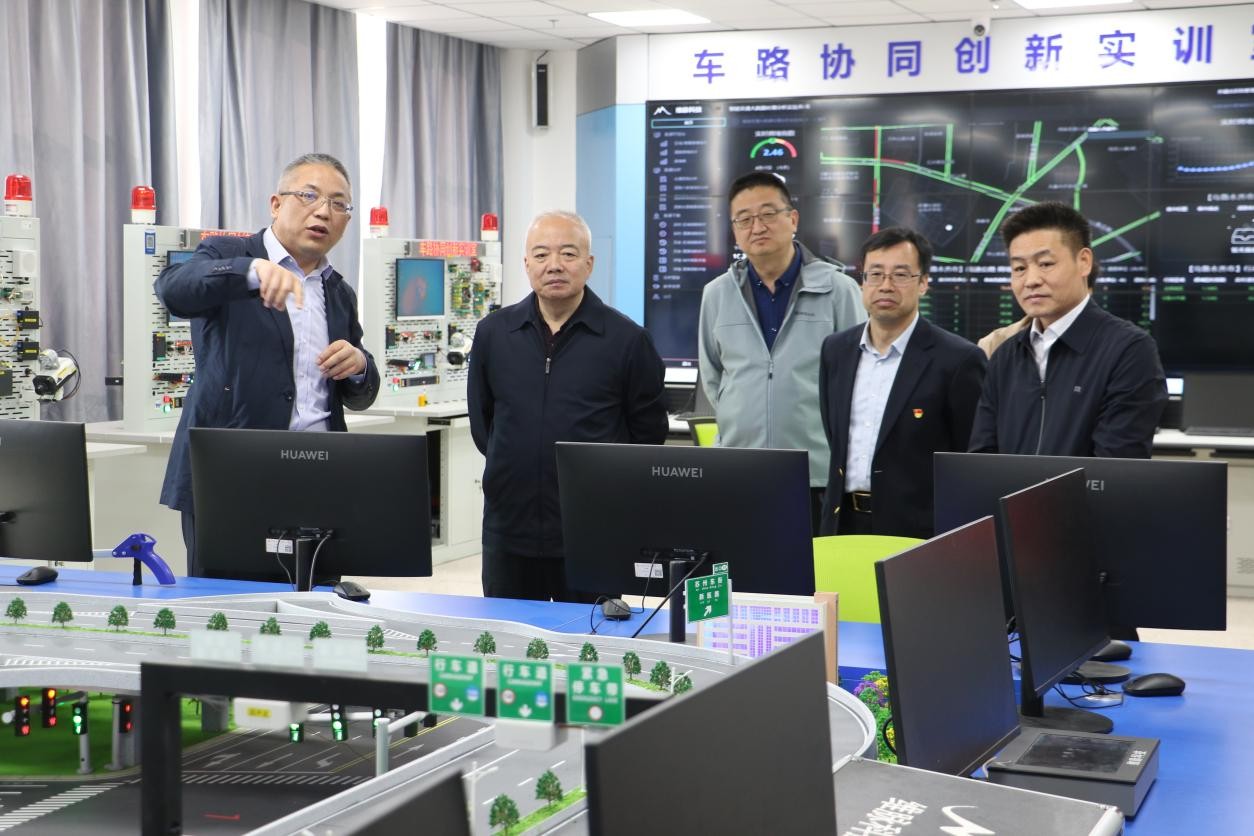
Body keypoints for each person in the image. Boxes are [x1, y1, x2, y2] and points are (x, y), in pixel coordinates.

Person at [155, 152, 380, 577]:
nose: (323, 211)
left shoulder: (339, 292)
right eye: (309, 196)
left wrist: (359, 365)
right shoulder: (229, 254)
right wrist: (250, 271)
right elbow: (173, 289)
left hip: (320, 476)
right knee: (228, 606)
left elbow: (359, 393)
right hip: (231, 475)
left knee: (316, 599)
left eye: (338, 204)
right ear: (276, 204)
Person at [468, 211, 668, 601]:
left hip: (594, 534)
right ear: (526, 264)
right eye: (541, 254)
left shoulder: (627, 340)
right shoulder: (494, 333)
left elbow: (647, 436)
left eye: (568, 254)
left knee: (589, 636)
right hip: (509, 532)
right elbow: (484, 423)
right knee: (508, 635)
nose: (554, 265)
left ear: (589, 264)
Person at [697, 172, 865, 532]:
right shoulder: (716, 294)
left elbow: (858, 377)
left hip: (816, 473)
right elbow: (713, 376)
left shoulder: (838, 290)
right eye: (744, 219)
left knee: (816, 567)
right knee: (743, 566)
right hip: (739, 472)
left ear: (793, 219)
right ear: (734, 230)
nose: (757, 227)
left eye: (768, 214)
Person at [818, 227, 986, 539]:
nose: (886, 285)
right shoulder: (835, 350)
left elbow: (971, 465)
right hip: (842, 526)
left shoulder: (958, 360)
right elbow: (835, 437)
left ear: (923, 283)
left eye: (900, 275)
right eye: (875, 274)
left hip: (917, 534)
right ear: (862, 282)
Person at [969, 201, 1167, 457]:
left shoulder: (1128, 350)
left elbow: (1116, 466)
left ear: (1084, 262)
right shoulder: (1005, 356)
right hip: (1005, 487)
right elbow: (982, 458)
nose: (1031, 280)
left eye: (1046, 263)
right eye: (1019, 268)